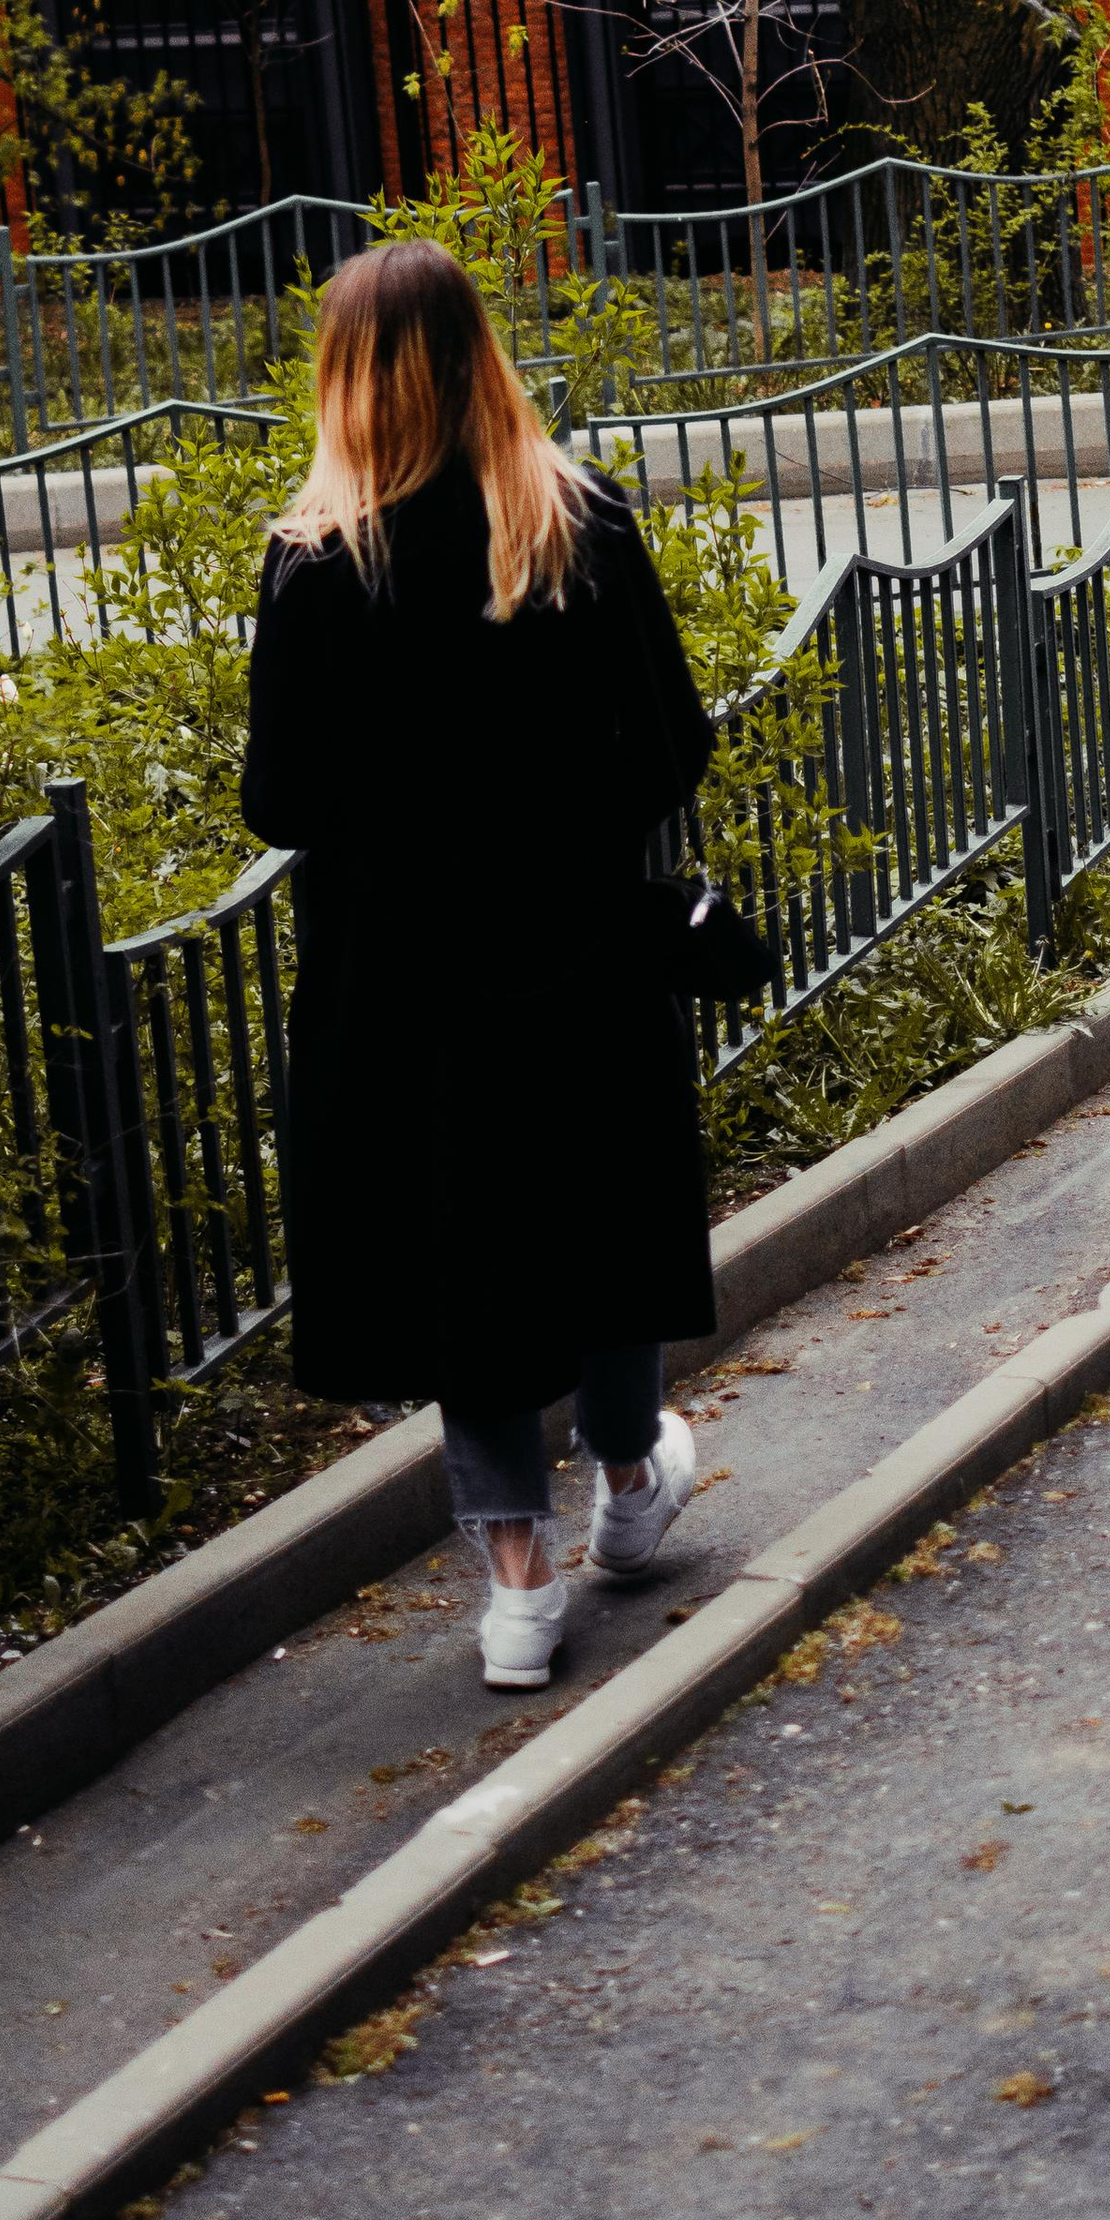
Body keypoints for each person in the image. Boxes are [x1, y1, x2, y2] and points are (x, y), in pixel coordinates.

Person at [239, 235, 717, 1689]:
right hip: (578, 945)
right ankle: (629, 1484)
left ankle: (517, 1585)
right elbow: (674, 744)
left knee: (469, 1264)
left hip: (406, 983)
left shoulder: (317, 566)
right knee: (601, 1223)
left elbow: (280, 804)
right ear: (480, 358)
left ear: (346, 381)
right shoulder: (577, 523)